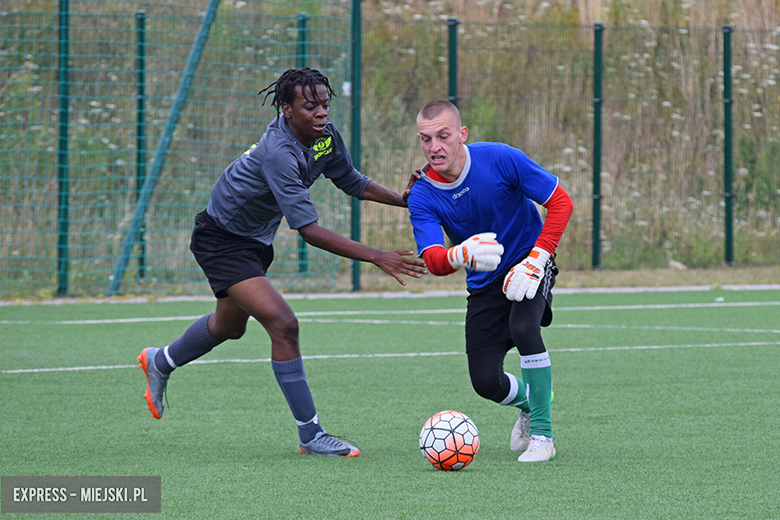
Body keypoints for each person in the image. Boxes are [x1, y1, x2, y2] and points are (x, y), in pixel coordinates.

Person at [137, 68, 427, 457]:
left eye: (325, 103)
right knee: (283, 324)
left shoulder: (324, 137)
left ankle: (161, 360)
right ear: (287, 109)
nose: (321, 112)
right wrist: (376, 256)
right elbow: (309, 230)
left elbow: (352, 181)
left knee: (228, 326)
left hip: (255, 241)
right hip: (221, 240)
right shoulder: (279, 151)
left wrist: (402, 199)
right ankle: (311, 434)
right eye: (310, 106)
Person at [406, 100, 573, 462]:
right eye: (425, 139)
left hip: (528, 264)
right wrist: (459, 255)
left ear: (462, 135)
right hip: (483, 286)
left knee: (525, 326)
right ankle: (534, 402)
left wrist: (538, 257)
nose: (434, 147)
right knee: (485, 381)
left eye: (443, 136)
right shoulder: (422, 194)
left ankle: (543, 436)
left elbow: (561, 202)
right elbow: (434, 258)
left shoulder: (500, 158)